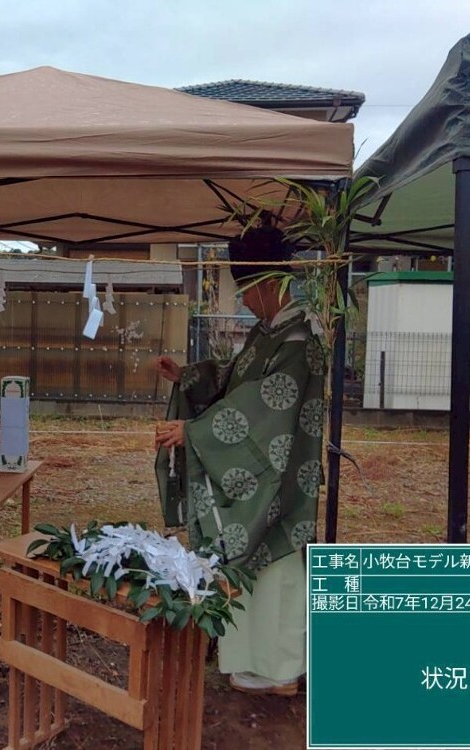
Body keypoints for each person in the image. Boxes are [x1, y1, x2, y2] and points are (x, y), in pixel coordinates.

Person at [153, 225, 324, 697]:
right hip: (260, 475)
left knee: (279, 576)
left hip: (283, 480)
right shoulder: (271, 334)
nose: (245, 303)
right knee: (254, 577)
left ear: (270, 284)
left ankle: (282, 670)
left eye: (248, 292)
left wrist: (195, 431)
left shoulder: (300, 338)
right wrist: (186, 376)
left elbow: (266, 404)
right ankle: (253, 661)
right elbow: (234, 381)